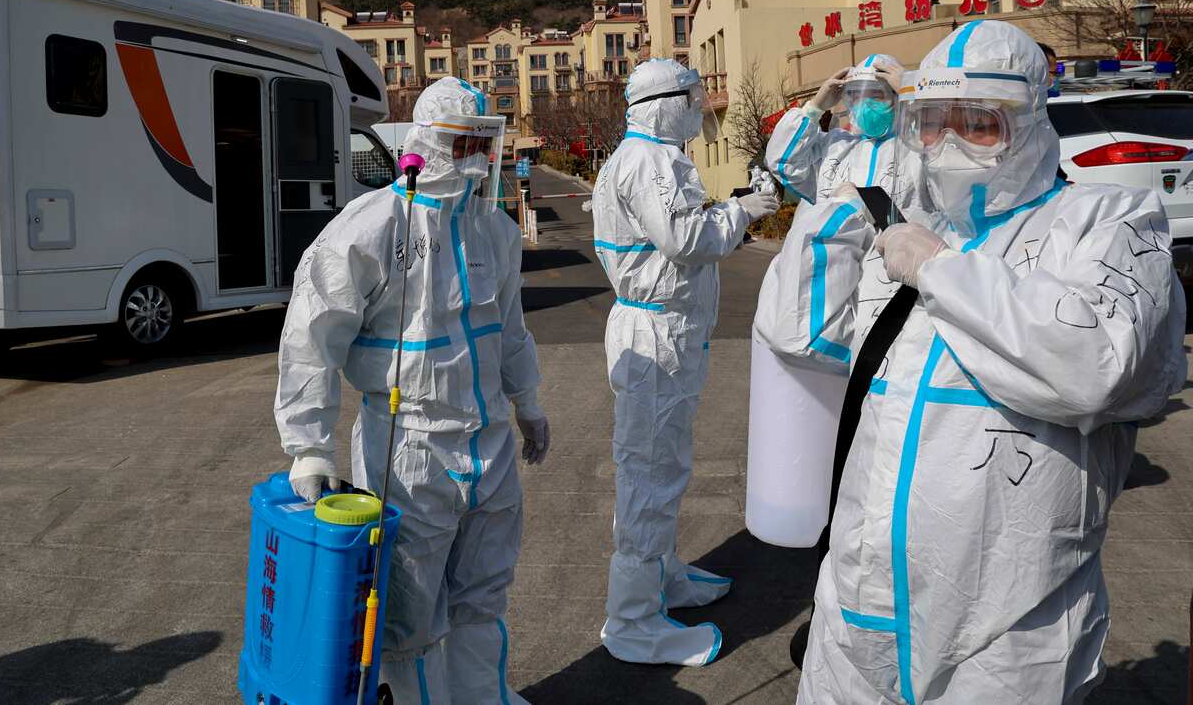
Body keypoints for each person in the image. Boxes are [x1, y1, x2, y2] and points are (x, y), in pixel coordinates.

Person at [755, 20, 1186, 703]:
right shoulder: (920, 226)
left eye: (978, 123)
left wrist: (940, 271)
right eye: (930, 123)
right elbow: (801, 335)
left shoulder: (1104, 220)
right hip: (857, 602)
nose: (947, 143)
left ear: (1029, 123)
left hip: (1006, 626)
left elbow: (1094, 365)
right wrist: (828, 224)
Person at [274, 77, 550, 704]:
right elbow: (311, 335)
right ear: (428, 141)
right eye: (464, 143)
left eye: (486, 141)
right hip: (410, 446)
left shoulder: (495, 231)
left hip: (490, 446)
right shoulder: (374, 226)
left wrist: (527, 401)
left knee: (483, 598)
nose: (478, 158)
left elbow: (509, 330)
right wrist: (309, 445)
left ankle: (484, 697)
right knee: (409, 618)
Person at [592, 58, 780, 666]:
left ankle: (664, 576)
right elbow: (687, 240)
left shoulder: (653, 157)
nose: (701, 105)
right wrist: (746, 210)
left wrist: (731, 210)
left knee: (664, 464)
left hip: (667, 333)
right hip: (654, 338)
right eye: (693, 96)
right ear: (665, 102)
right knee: (647, 474)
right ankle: (633, 621)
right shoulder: (649, 161)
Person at [763, 54, 924, 218]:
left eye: (876, 95)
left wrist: (916, 103)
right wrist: (814, 108)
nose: (865, 104)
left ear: (897, 98)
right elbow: (781, 161)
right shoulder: (836, 147)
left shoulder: (918, 148)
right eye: (857, 95)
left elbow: (945, 183)